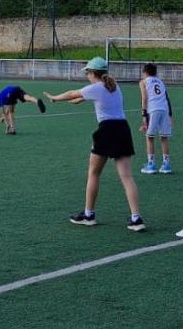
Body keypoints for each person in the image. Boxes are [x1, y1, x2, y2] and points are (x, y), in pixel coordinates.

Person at [45, 58, 145, 231]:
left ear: (92, 73)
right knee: (127, 177)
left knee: (94, 173)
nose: (87, 76)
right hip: (123, 129)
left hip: (107, 130)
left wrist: (54, 98)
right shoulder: (113, 85)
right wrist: (81, 99)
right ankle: (136, 219)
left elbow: (70, 93)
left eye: (87, 73)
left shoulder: (96, 87)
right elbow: (97, 97)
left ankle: (89, 215)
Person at [138, 63, 174, 174]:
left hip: (152, 110)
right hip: (164, 109)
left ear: (145, 72)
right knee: (164, 137)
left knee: (149, 137)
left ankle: (151, 164)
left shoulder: (143, 82)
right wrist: (170, 116)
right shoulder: (160, 81)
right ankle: (166, 165)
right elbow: (167, 98)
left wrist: (144, 114)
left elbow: (144, 97)